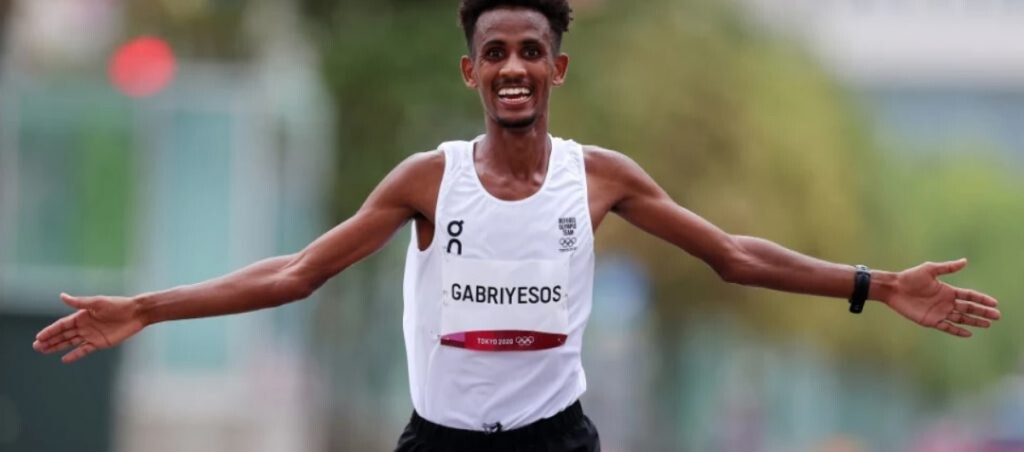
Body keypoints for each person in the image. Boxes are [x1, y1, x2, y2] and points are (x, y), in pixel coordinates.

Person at [32, 0, 1001, 450]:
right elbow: (296, 272)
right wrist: (147, 308)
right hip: (440, 442)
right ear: (470, 71)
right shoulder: (427, 181)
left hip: (554, 442)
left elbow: (733, 255)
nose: (512, 68)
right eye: (493, 51)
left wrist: (875, 284)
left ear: (556, 68)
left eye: (531, 50)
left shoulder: (599, 178)